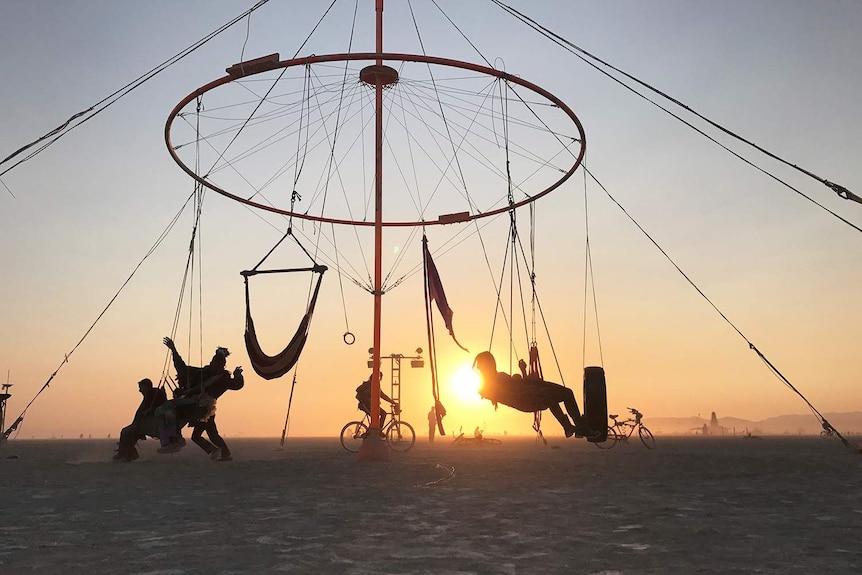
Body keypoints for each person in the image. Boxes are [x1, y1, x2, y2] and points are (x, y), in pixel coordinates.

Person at [472, 351, 596, 438]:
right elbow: (519, 386)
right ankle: (579, 426)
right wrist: (522, 373)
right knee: (566, 393)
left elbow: (520, 386)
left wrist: (522, 373)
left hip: (527, 398)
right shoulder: (491, 383)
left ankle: (569, 427)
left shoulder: (490, 383)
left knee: (550, 397)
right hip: (527, 399)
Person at [160, 337, 241, 457]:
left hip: (205, 410)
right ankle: (222, 453)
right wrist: (174, 350)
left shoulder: (223, 379)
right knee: (204, 435)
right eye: (213, 362)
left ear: (222, 365)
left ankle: (175, 439)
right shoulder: (203, 373)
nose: (213, 365)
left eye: (216, 363)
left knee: (172, 409)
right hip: (198, 407)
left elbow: (237, 385)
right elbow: (183, 368)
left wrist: (238, 375)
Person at [113, 378, 167, 462]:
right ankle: (125, 453)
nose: (139, 390)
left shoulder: (153, 395)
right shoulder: (150, 396)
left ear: (146, 387)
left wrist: (148, 412)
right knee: (128, 433)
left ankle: (127, 454)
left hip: (148, 423)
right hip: (143, 423)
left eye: (140, 387)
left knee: (125, 432)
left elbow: (157, 406)